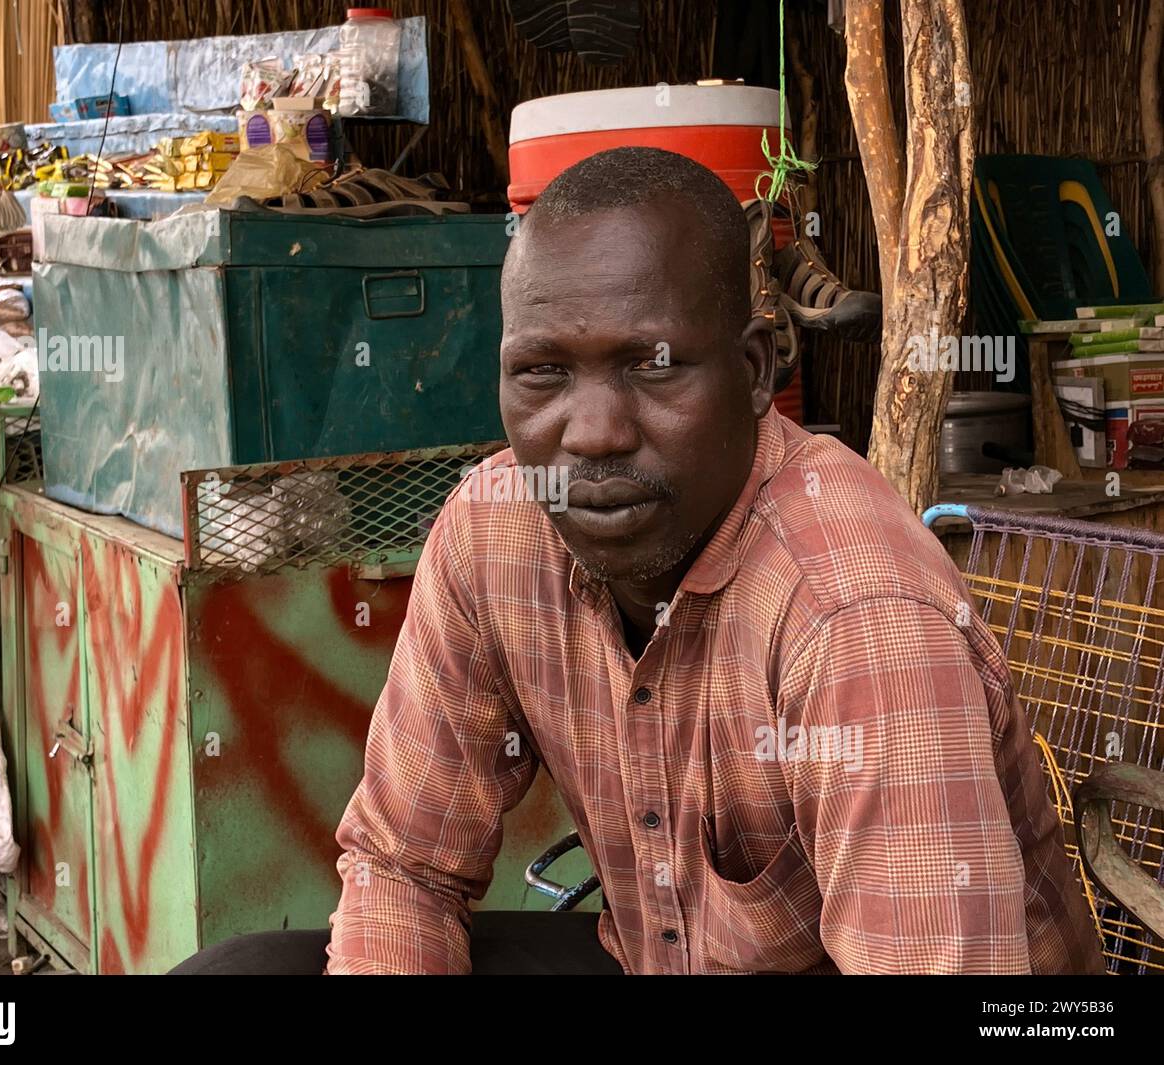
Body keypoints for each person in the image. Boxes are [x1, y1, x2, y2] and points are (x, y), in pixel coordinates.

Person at [173, 146, 1104, 976]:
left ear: (750, 371)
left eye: (652, 367)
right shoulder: (497, 531)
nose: (593, 434)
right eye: (542, 372)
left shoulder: (854, 612)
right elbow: (404, 865)